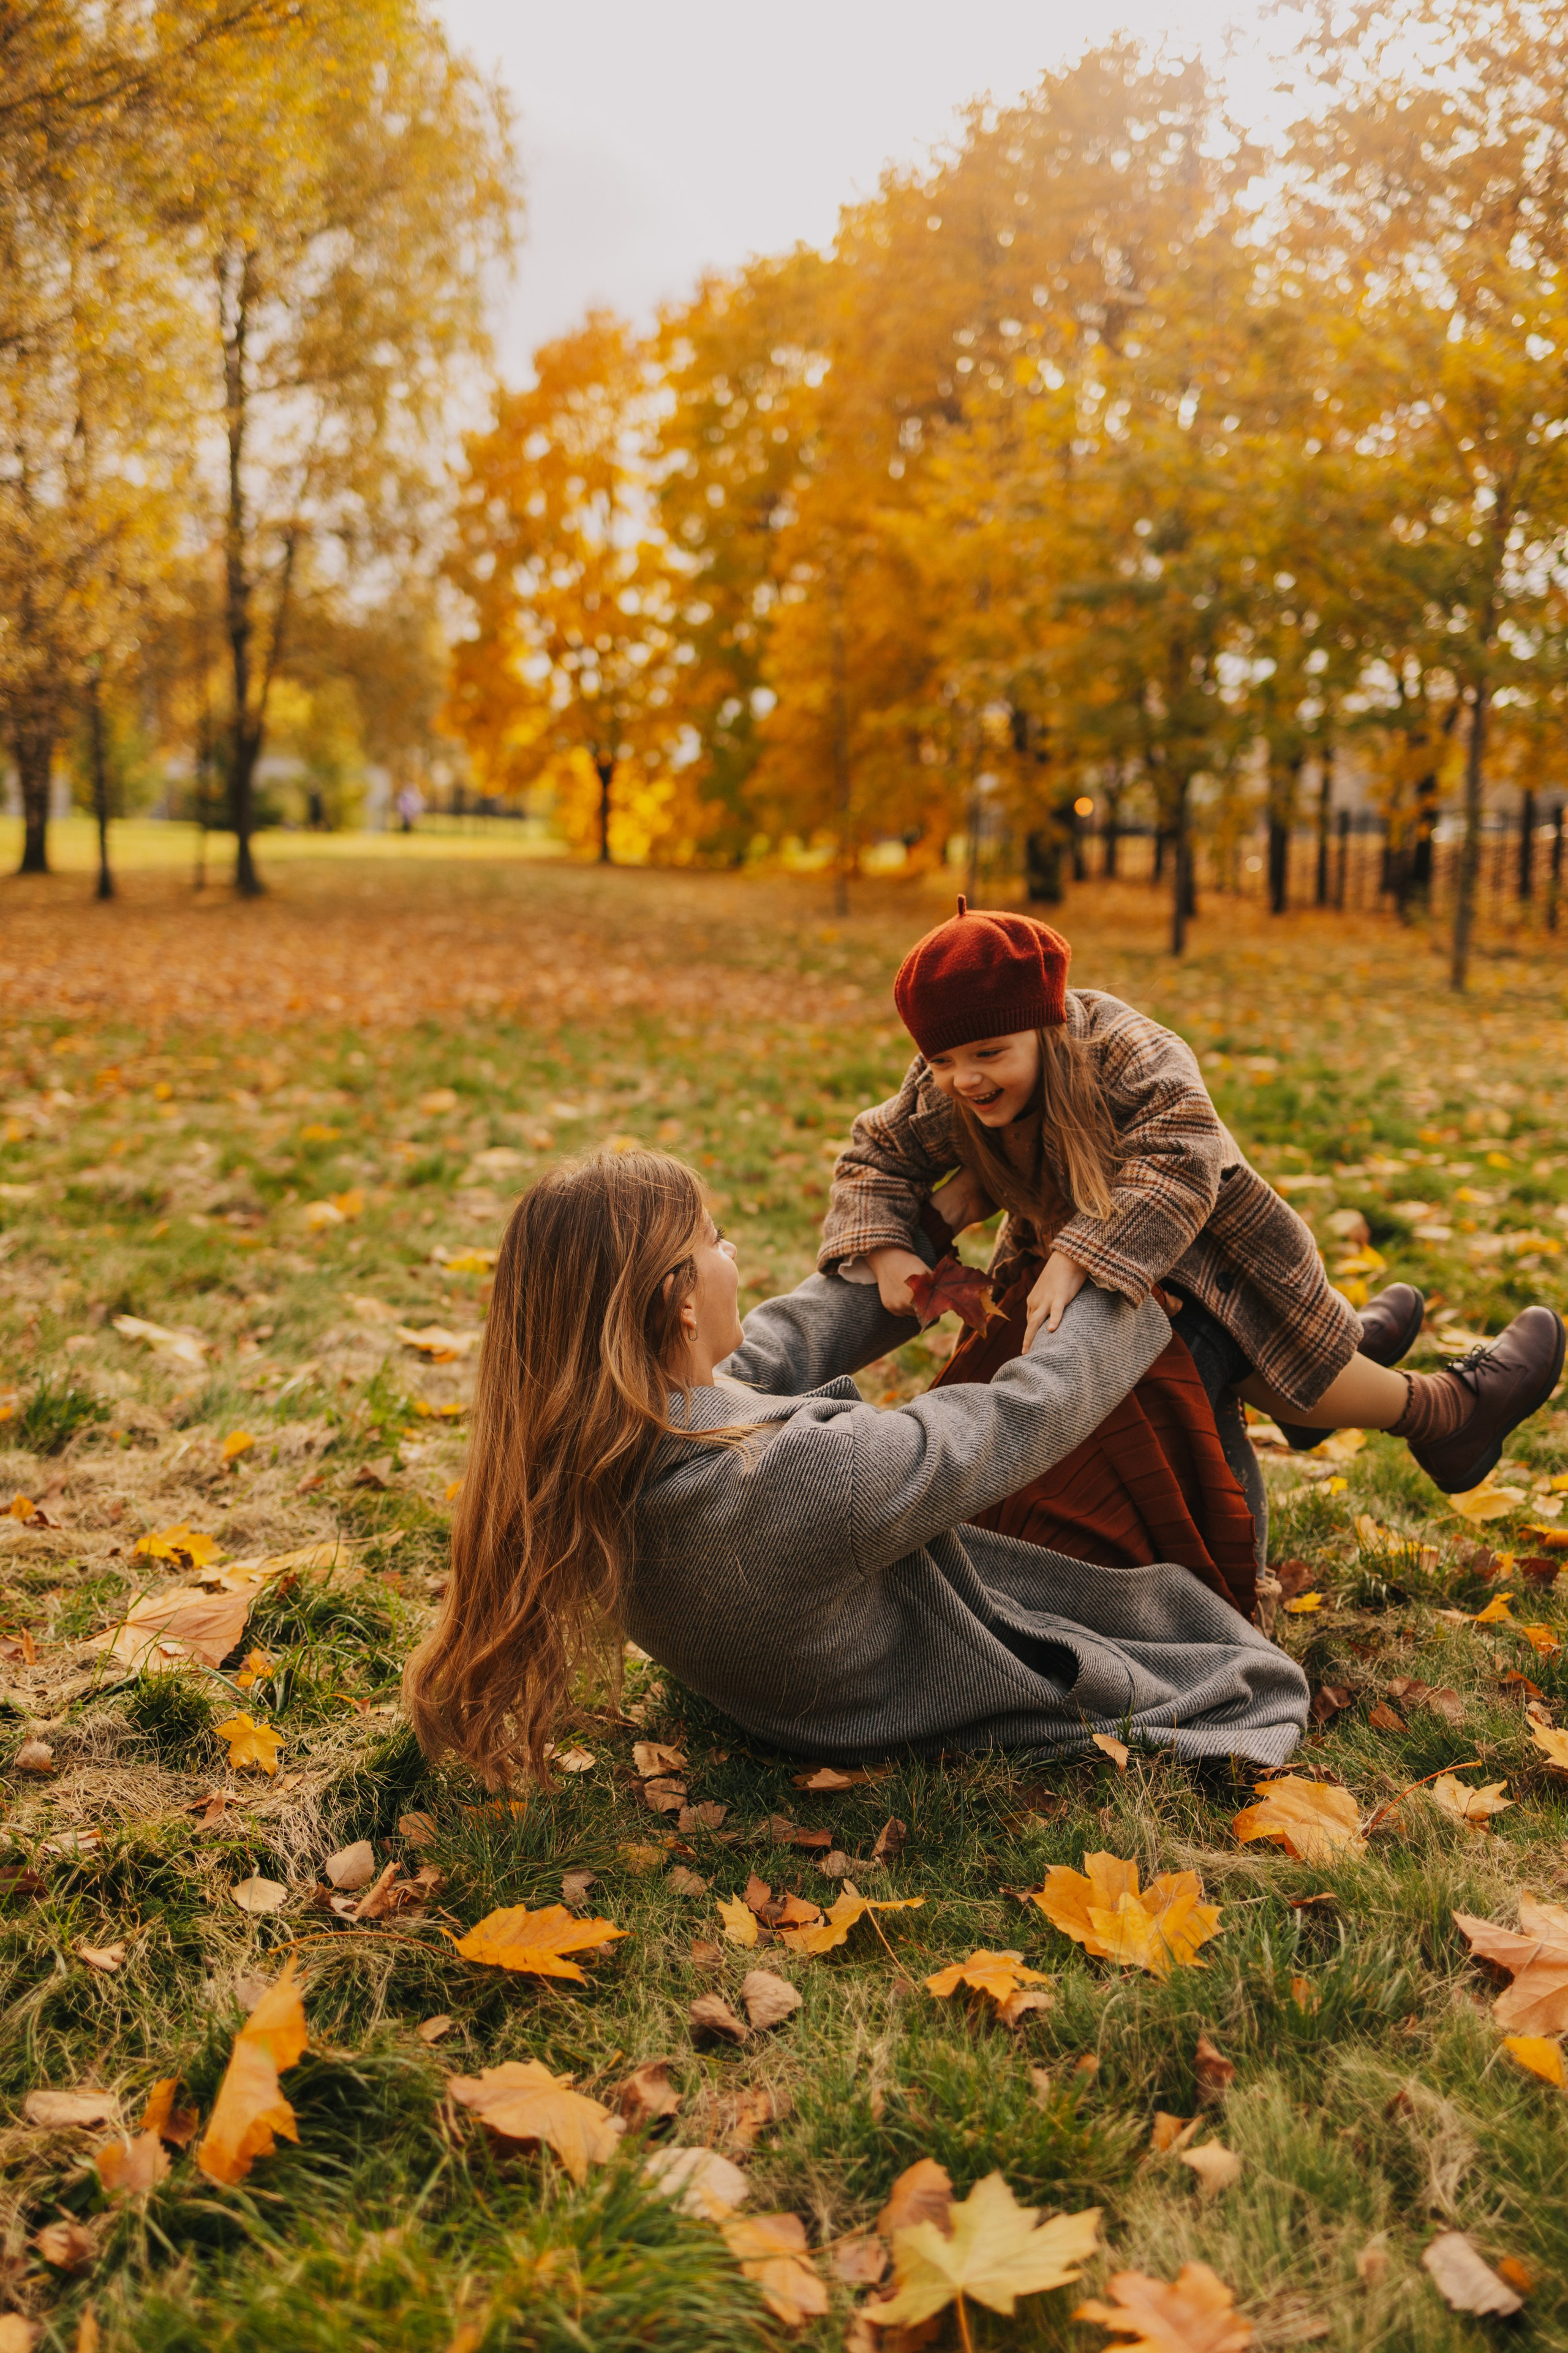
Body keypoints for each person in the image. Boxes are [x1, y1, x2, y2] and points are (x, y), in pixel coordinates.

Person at [402, 1149, 1311, 1788]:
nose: (734, 1255)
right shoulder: (783, 1483)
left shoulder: (614, 1445)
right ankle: (1321, 1379)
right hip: (985, 1657)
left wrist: (938, 1224)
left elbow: (782, 1340)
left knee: (1094, 1315)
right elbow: (1010, 1420)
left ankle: (1318, 1373)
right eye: (716, 1241)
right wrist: (1124, 1276)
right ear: (678, 1301)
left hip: (851, 1668)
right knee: (1168, 1326)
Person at [820, 897, 1564, 1498]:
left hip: (1199, 1236)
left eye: (989, 1054)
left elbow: (1181, 1146)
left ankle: (1440, 1407)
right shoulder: (941, 1086)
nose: (966, 1079)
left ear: (1047, 1025)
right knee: (1248, 1352)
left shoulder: (1119, 1046)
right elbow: (873, 1155)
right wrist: (888, 1248)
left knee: (1244, 1333)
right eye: (943, 1060)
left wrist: (1081, 1253)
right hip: (1069, 1254)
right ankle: (1358, 1372)